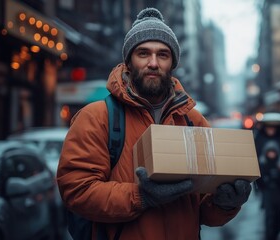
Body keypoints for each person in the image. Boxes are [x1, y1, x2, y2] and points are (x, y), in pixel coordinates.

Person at [57, 8, 251, 240]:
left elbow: (203, 210)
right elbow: (76, 191)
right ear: (128, 61)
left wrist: (224, 204)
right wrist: (140, 196)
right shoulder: (97, 117)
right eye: (143, 53)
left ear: (172, 64)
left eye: (163, 55)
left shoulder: (193, 121)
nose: (153, 63)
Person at [255, 141, 280, 240]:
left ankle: (277, 232)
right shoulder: (262, 163)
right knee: (269, 215)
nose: (271, 155)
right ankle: (269, 235)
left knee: (278, 215)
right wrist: (265, 181)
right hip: (268, 193)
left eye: (273, 152)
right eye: (269, 152)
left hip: (279, 192)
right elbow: (258, 180)